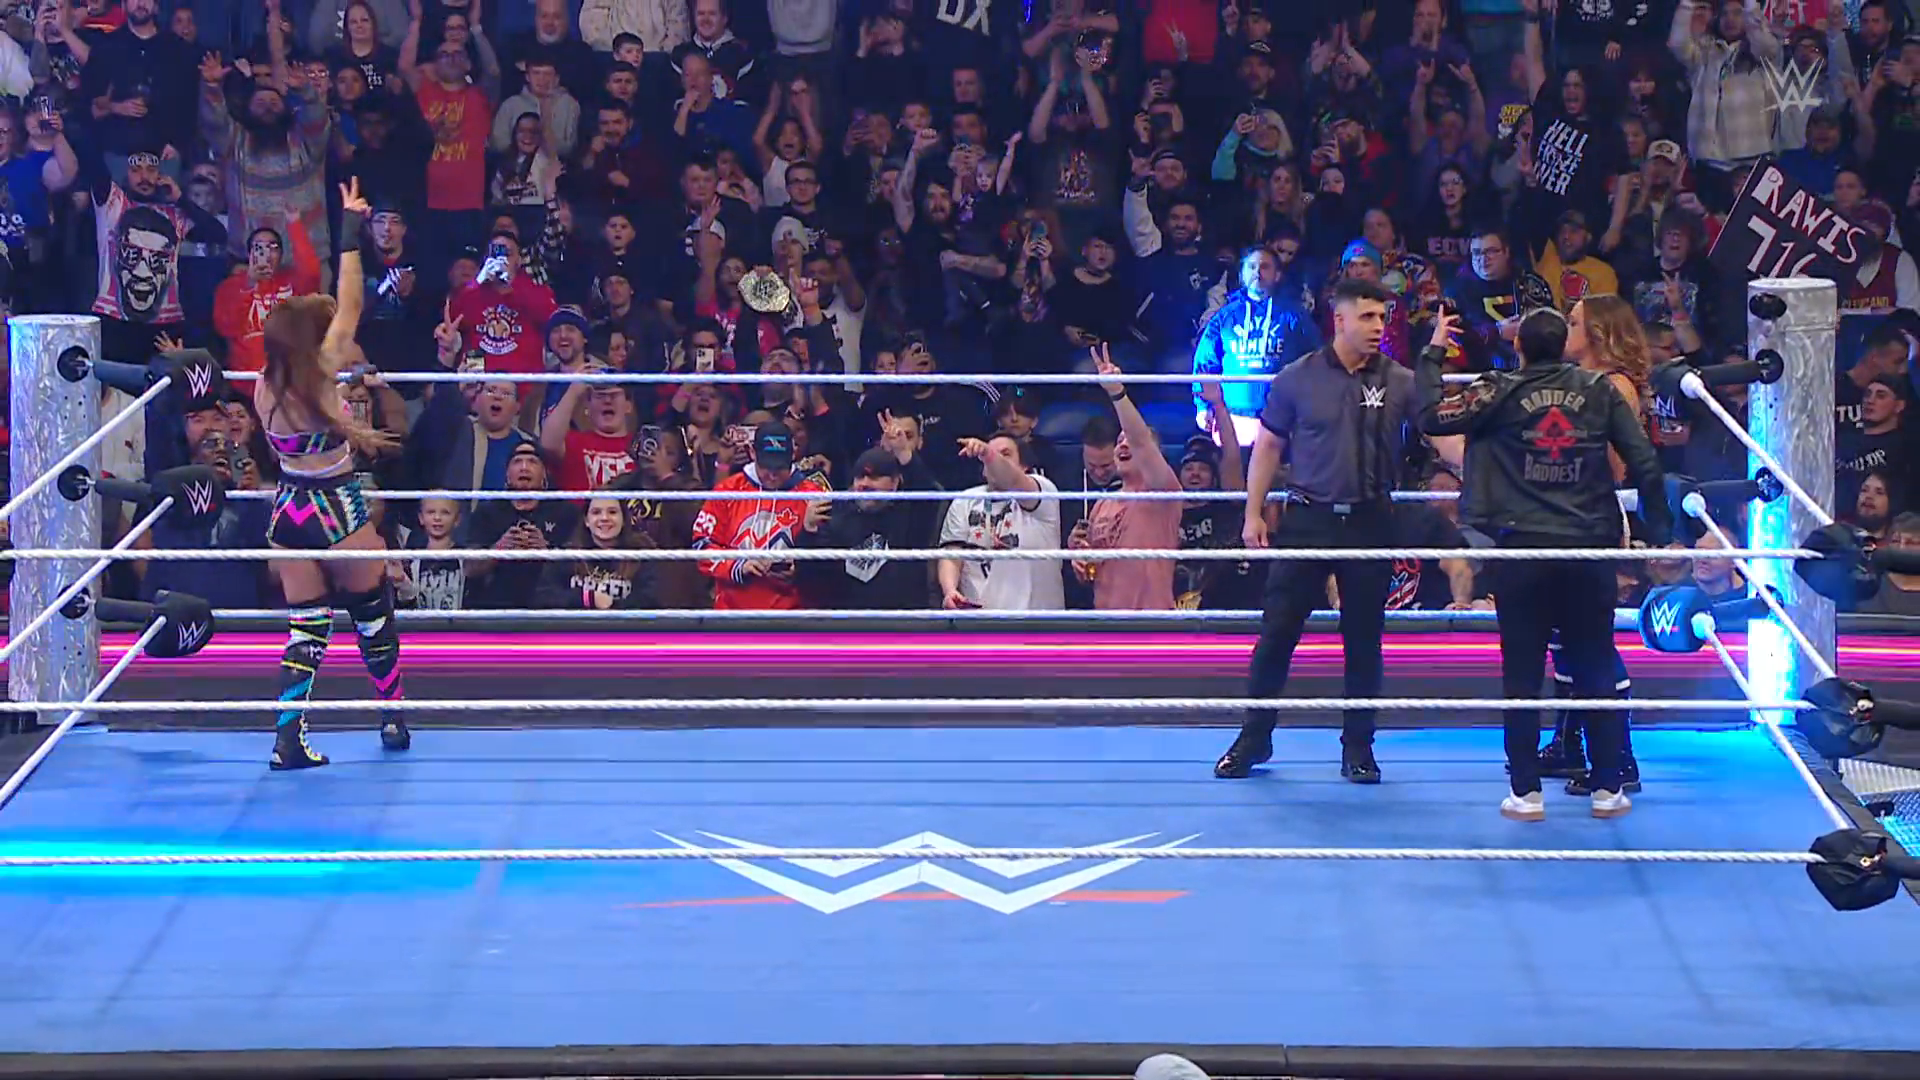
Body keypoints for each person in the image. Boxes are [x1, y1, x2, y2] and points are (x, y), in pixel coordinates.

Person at [1415, 306, 1671, 821]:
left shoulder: (1497, 389)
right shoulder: (1598, 390)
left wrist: (1433, 353)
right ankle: (1607, 788)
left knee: (1523, 672)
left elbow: (1430, 417)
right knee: (1594, 664)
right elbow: (1644, 461)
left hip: (1523, 548)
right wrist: (1661, 530)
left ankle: (1526, 793)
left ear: (1520, 347)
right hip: (1586, 547)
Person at [1215, 279, 1450, 784]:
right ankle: (1254, 736)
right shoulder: (1296, 378)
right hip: (1308, 517)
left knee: (1364, 638)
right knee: (1277, 631)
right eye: (1367, 317)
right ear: (1339, 320)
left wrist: (1485, 476)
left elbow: (1442, 435)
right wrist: (1253, 513)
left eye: (1382, 317)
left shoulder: (1399, 380)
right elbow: (1268, 447)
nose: (1378, 326)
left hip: (1371, 518)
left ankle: (1358, 747)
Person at [254, 178, 408, 771]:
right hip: (335, 505)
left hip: (288, 510)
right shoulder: (319, 373)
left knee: (307, 630)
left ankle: (287, 739)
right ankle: (392, 714)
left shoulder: (262, 385)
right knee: (372, 613)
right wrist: (349, 228)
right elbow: (351, 303)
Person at [1540, 294, 1650, 794]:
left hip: (1592, 518)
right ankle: (1570, 744)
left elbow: (1614, 467)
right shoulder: (1581, 381)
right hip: (1568, 519)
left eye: (1574, 321)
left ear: (1600, 333)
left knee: (1592, 642)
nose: (1566, 328)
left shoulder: (1613, 386)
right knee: (1566, 637)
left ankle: (1619, 757)